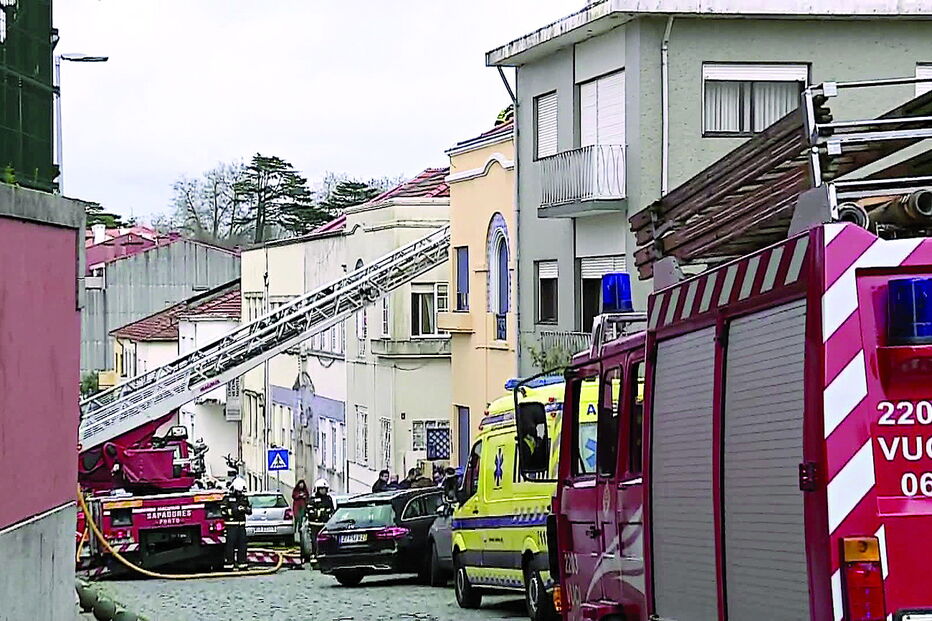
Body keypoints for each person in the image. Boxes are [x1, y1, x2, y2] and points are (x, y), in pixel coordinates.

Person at [222, 478, 252, 570]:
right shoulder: (227, 499)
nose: (240, 493)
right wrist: (236, 510)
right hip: (231, 526)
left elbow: (249, 510)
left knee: (242, 545)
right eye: (239, 491)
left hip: (241, 526)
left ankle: (242, 563)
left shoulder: (244, 498)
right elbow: (224, 512)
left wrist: (245, 509)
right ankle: (229, 564)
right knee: (230, 546)